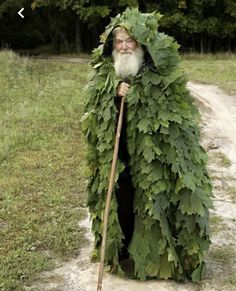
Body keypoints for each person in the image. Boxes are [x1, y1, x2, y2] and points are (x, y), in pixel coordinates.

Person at [81, 8, 213, 282]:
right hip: (121, 153)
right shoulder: (104, 74)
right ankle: (123, 251)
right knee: (123, 197)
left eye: (130, 40)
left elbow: (179, 119)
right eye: (119, 42)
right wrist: (114, 94)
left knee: (152, 200)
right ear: (112, 46)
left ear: (141, 44)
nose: (125, 46)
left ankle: (156, 257)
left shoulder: (162, 74)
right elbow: (94, 115)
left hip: (153, 157)